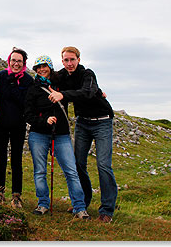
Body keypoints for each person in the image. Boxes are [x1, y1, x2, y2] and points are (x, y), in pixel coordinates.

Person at [48, 46, 117, 223]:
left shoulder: (88, 74)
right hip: (83, 122)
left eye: (72, 59)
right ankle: (83, 202)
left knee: (103, 165)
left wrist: (63, 94)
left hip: (102, 120)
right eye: (66, 60)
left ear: (78, 59)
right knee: (78, 164)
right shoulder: (62, 76)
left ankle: (107, 209)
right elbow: (45, 79)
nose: (69, 63)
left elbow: (87, 92)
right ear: (62, 61)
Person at [25, 55, 90, 219]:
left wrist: (98, 93)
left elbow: (77, 89)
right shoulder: (33, 89)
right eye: (38, 68)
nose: (41, 70)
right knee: (40, 171)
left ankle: (79, 207)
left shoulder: (61, 83)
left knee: (71, 171)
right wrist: (43, 121)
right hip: (38, 134)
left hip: (61, 134)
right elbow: (28, 114)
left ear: (50, 67)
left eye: (44, 66)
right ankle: (43, 204)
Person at [0, 47, 33, 208]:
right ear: (9, 61)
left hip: (18, 125)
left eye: (19, 61)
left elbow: (25, 103)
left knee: (17, 160)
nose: (16, 64)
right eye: (13, 60)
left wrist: (14, 85)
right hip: (0, 125)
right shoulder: (1, 76)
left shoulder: (28, 80)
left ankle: (16, 195)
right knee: (0, 159)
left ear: (24, 64)